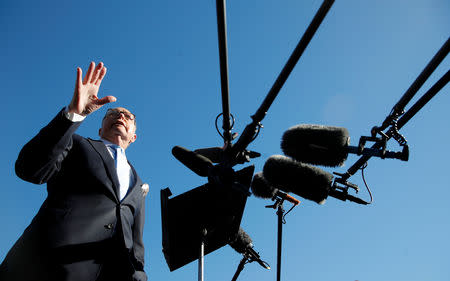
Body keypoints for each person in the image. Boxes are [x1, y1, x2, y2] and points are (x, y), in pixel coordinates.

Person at [0, 62, 148, 281]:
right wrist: (73, 114)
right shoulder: (77, 144)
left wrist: (138, 274)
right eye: (113, 113)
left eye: (128, 116)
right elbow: (29, 169)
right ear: (100, 128)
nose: (121, 116)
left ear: (134, 136)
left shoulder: (138, 184)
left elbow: (136, 241)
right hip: (46, 266)